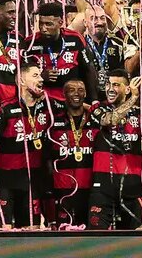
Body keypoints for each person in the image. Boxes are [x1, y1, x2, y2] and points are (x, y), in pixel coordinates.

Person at [87, 68, 142, 229]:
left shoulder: (139, 113)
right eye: (108, 84)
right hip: (103, 190)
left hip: (133, 189)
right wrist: (134, 98)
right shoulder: (98, 109)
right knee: (97, 240)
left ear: (127, 89)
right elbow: (109, 120)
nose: (110, 89)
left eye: (116, 85)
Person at [0, 61, 50, 228]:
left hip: (33, 182)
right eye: (35, 75)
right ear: (21, 81)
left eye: (41, 75)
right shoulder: (5, 108)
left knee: (32, 231)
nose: (41, 79)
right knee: (4, 232)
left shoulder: (47, 106)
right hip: (5, 182)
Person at [22, 3, 97, 103]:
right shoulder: (30, 43)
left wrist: (94, 100)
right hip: (44, 101)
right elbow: (24, 76)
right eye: (41, 24)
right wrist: (41, 76)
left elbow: (88, 69)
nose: (43, 29)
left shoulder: (75, 39)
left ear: (60, 23)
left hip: (71, 101)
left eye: (48, 24)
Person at [46, 78, 96, 227]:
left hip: (90, 189)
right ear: (64, 94)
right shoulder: (54, 121)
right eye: (71, 90)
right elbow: (47, 156)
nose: (76, 94)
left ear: (86, 93)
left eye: (80, 90)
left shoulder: (95, 119)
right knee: (64, 234)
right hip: (63, 190)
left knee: (90, 233)